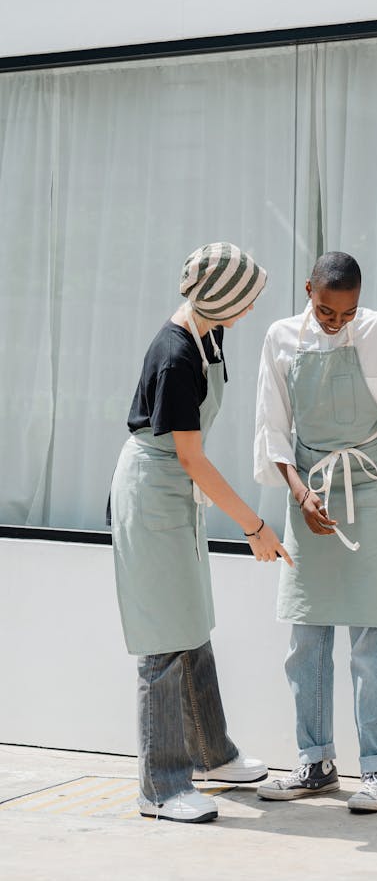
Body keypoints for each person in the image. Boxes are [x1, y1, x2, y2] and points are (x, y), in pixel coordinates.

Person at [109, 242, 293, 824]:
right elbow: (191, 456)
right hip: (155, 490)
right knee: (163, 640)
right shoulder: (176, 354)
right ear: (220, 298)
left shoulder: (207, 333)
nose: (250, 308)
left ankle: (212, 757)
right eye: (245, 298)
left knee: (191, 624)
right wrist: (255, 526)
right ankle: (160, 787)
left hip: (174, 491)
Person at [253, 251, 377, 812]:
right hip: (308, 488)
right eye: (326, 310)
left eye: (347, 312)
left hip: (371, 485)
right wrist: (300, 494)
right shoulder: (280, 337)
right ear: (308, 289)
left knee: (371, 633)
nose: (337, 322)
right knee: (306, 636)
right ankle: (315, 762)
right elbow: (273, 428)